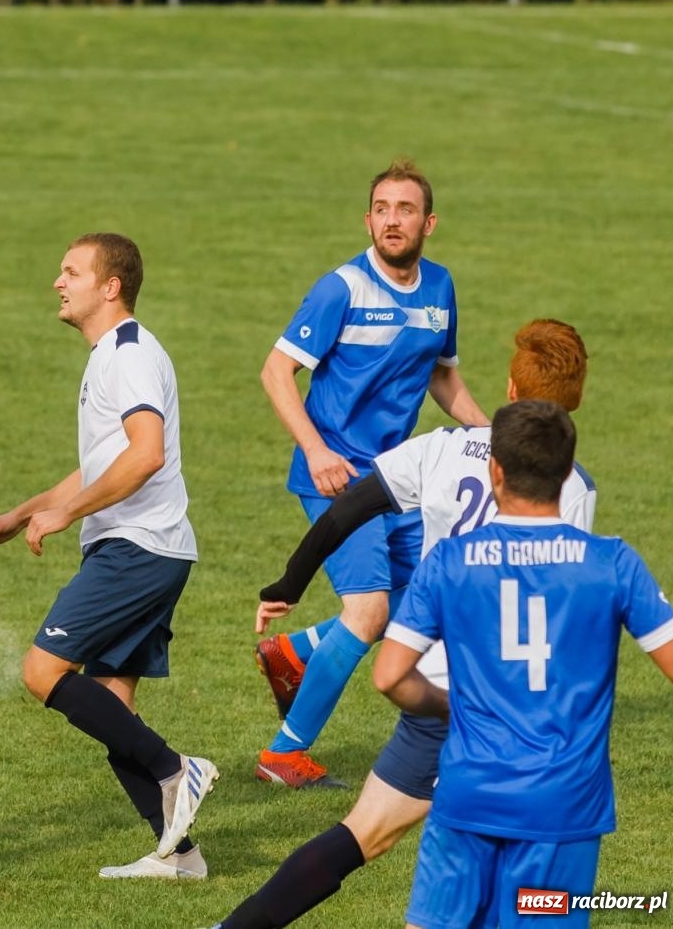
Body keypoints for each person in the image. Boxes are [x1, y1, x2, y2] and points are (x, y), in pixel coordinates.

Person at [211, 319, 594, 929]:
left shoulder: (442, 447)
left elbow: (349, 508)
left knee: (364, 833)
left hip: (432, 696)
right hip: (512, 717)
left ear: (511, 389)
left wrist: (290, 583)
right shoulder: (572, 489)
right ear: (574, 404)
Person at [373, 400, 673, 929]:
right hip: (564, 808)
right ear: (566, 472)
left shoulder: (451, 562)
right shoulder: (612, 563)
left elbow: (390, 676)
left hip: (468, 794)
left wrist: (453, 704)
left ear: (496, 468)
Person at [0, 233, 215, 880]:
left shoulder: (127, 354)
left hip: (136, 547)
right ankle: (178, 854)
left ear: (111, 286)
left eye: (71, 271)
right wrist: (20, 513)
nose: (58, 281)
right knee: (111, 707)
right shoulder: (112, 354)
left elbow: (146, 452)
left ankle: (175, 769)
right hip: (149, 546)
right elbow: (101, 465)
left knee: (42, 670)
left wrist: (65, 514)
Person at [255, 159, 488, 788]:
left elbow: (443, 376)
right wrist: (316, 451)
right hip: (334, 479)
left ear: (428, 222)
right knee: (367, 613)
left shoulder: (440, 288)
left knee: (423, 607)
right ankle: (283, 755)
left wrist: (496, 442)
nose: (392, 219)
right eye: (382, 208)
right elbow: (276, 372)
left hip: (398, 480)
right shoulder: (340, 289)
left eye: (405, 209)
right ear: (368, 219)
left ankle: (295, 652)